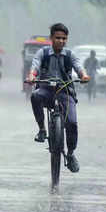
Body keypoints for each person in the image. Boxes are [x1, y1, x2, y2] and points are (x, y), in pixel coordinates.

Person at [26, 23, 90, 173]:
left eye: (64, 38)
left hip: (65, 92)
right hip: (46, 90)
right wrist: (31, 77)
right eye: (58, 38)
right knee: (35, 96)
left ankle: (71, 153)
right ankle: (42, 129)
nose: (61, 41)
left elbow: (79, 67)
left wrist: (84, 76)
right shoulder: (43, 53)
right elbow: (34, 67)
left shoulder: (69, 55)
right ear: (51, 38)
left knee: (72, 123)